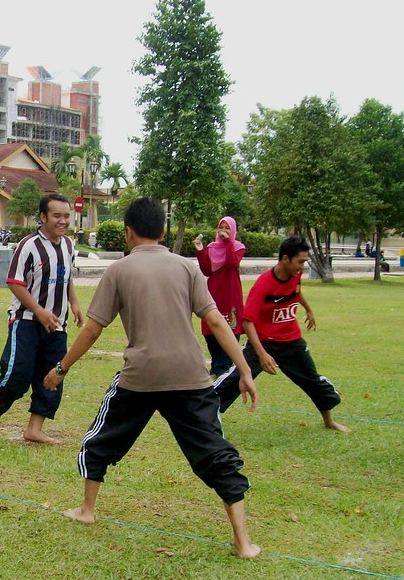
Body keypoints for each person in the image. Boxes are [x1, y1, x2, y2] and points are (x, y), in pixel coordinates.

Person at [43, 197, 261, 559]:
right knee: (214, 453)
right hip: (191, 376)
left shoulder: (119, 270)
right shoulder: (187, 267)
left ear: (128, 233)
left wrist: (61, 368)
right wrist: (245, 370)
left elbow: (92, 331)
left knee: (101, 440)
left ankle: (87, 510)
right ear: (162, 231)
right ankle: (243, 542)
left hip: (140, 377)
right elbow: (218, 322)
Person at [213, 235, 350, 433]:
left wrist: (308, 310)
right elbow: (248, 321)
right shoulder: (264, 284)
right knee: (235, 378)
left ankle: (329, 421)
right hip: (263, 343)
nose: (302, 266)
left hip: (291, 341)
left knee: (312, 380)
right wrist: (262, 354)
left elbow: (296, 291)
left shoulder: (295, 275)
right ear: (285, 259)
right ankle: (204, 415)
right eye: (300, 261)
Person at [0, 194, 83, 444]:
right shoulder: (29, 245)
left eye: (67, 216)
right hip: (26, 322)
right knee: (17, 373)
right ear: (44, 217)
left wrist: (75, 303)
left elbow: (67, 278)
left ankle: (34, 429)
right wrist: (38, 310)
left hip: (57, 325)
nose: (63, 221)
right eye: (57, 216)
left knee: (52, 376)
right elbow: (14, 282)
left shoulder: (68, 245)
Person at [193, 216, 246, 376]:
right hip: (214, 294)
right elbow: (207, 270)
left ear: (233, 230)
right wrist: (200, 250)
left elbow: (231, 263)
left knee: (230, 334)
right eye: (220, 227)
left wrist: (228, 242)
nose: (223, 231)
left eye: (227, 228)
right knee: (212, 334)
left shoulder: (238, 247)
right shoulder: (211, 248)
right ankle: (218, 371)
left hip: (230, 295)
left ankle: (220, 373)